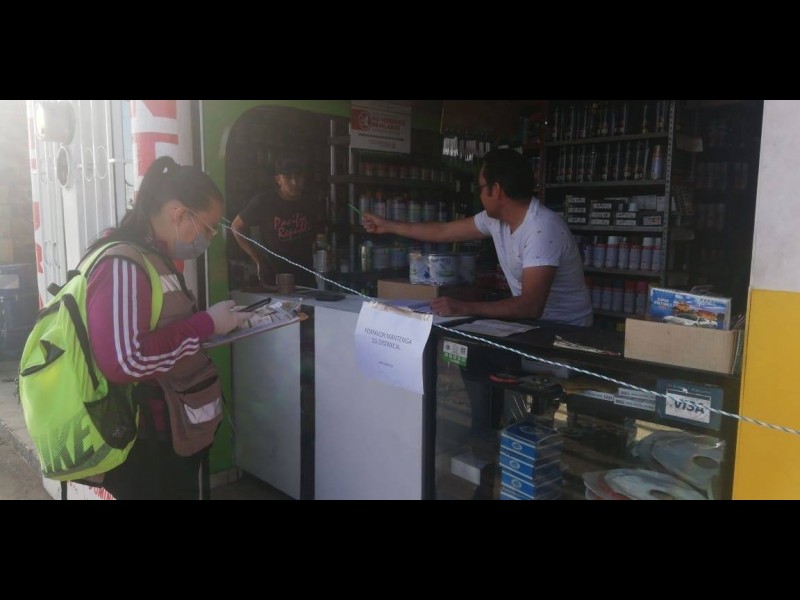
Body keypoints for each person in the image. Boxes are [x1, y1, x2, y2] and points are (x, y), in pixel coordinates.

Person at [83, 156, 253, 500]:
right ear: (179, 214)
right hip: (147, 446)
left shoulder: (154, 257)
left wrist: (214, 327)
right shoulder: (123, 264)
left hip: (170, 435)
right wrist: (206, 323)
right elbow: (125, 361)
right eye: (208, 227)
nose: (210, 238)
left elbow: (167, 329)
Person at [362, 148, 593, 326]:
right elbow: (443, 232)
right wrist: (387, 225)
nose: (480, 195)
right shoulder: (495, 220)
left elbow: (531, 306)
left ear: (496, 189)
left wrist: (464, 307)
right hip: (534, 325)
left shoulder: (541, 229)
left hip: (566, 332)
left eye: (481, 187)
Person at [231, 155, 317, 288]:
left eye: (298, 176)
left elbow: (315, 233)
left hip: (305, 277)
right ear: (278, 180)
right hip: (274, 277)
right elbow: (236, 226)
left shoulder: (308, 200)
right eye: (288, 178)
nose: (294, 183)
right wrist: (256, 258)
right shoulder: (264, 201)